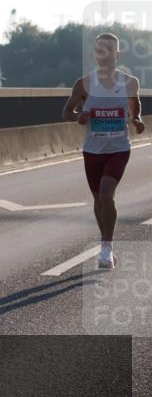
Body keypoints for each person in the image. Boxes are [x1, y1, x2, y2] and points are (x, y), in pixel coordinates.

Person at [63, 32, 144, 269]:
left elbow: (134, 106)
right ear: (95, 54)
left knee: (107, 194)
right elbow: (66, 112)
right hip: (93, 151)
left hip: (119, 148)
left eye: (110, 50)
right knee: (99, 199)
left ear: (117, 55)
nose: (105, 54)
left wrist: (137, 120)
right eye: (100, 50)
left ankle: (106, 248)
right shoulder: (84, 83)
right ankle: (105, 242)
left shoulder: (130, 82)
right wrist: (79, 115)